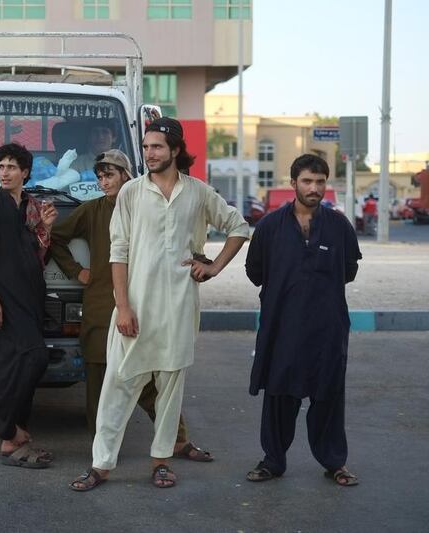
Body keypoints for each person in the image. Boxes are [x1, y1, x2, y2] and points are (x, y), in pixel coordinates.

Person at [68, 118, 249, 491]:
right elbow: (118, 253)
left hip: (180, 308)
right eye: (146, 147)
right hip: (135, 307)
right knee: (118, 385)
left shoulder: (198, 193)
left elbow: (238, 227)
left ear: (176, 150)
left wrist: (213, 267)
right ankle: (101, 465)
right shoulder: (132, 193)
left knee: (170, 388)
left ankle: (161, 461)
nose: (149, 154)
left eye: (157, 147)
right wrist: (124, 307)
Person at [49, 149, 214, 462]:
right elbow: (56, 237)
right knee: (101, 379)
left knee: (154, 375)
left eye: (110, 174)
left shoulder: (148, 205)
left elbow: (183, 241)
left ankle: (177, 441)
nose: (103, 181)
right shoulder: (93, 210)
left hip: (147, 301)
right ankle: (102, 448)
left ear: (127, 175)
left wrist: (202, 262)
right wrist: (77, 272)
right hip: (102, 305)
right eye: (99, 176)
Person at [245, 153, 362, 487]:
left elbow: (349, 271)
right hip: (283, 327)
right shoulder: (269, 226)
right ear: (292, 182)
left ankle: (334, 463)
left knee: (328, 396)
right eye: (308, 181)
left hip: (328, 328)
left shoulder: (339, 226)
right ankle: (272, 461)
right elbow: (255, 273)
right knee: (280, 395)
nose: (314, 188)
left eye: (321, 181)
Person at [0, 143, 59, 469]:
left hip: (31, 296)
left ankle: (16, 435)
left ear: (25, 173)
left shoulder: (31, 208)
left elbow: (37, 254)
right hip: (3, 297)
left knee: (19, 365)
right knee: (31, 357)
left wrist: (45, 229)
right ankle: (6, 430)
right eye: (1, 166)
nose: (5, 172)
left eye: (11, 167)